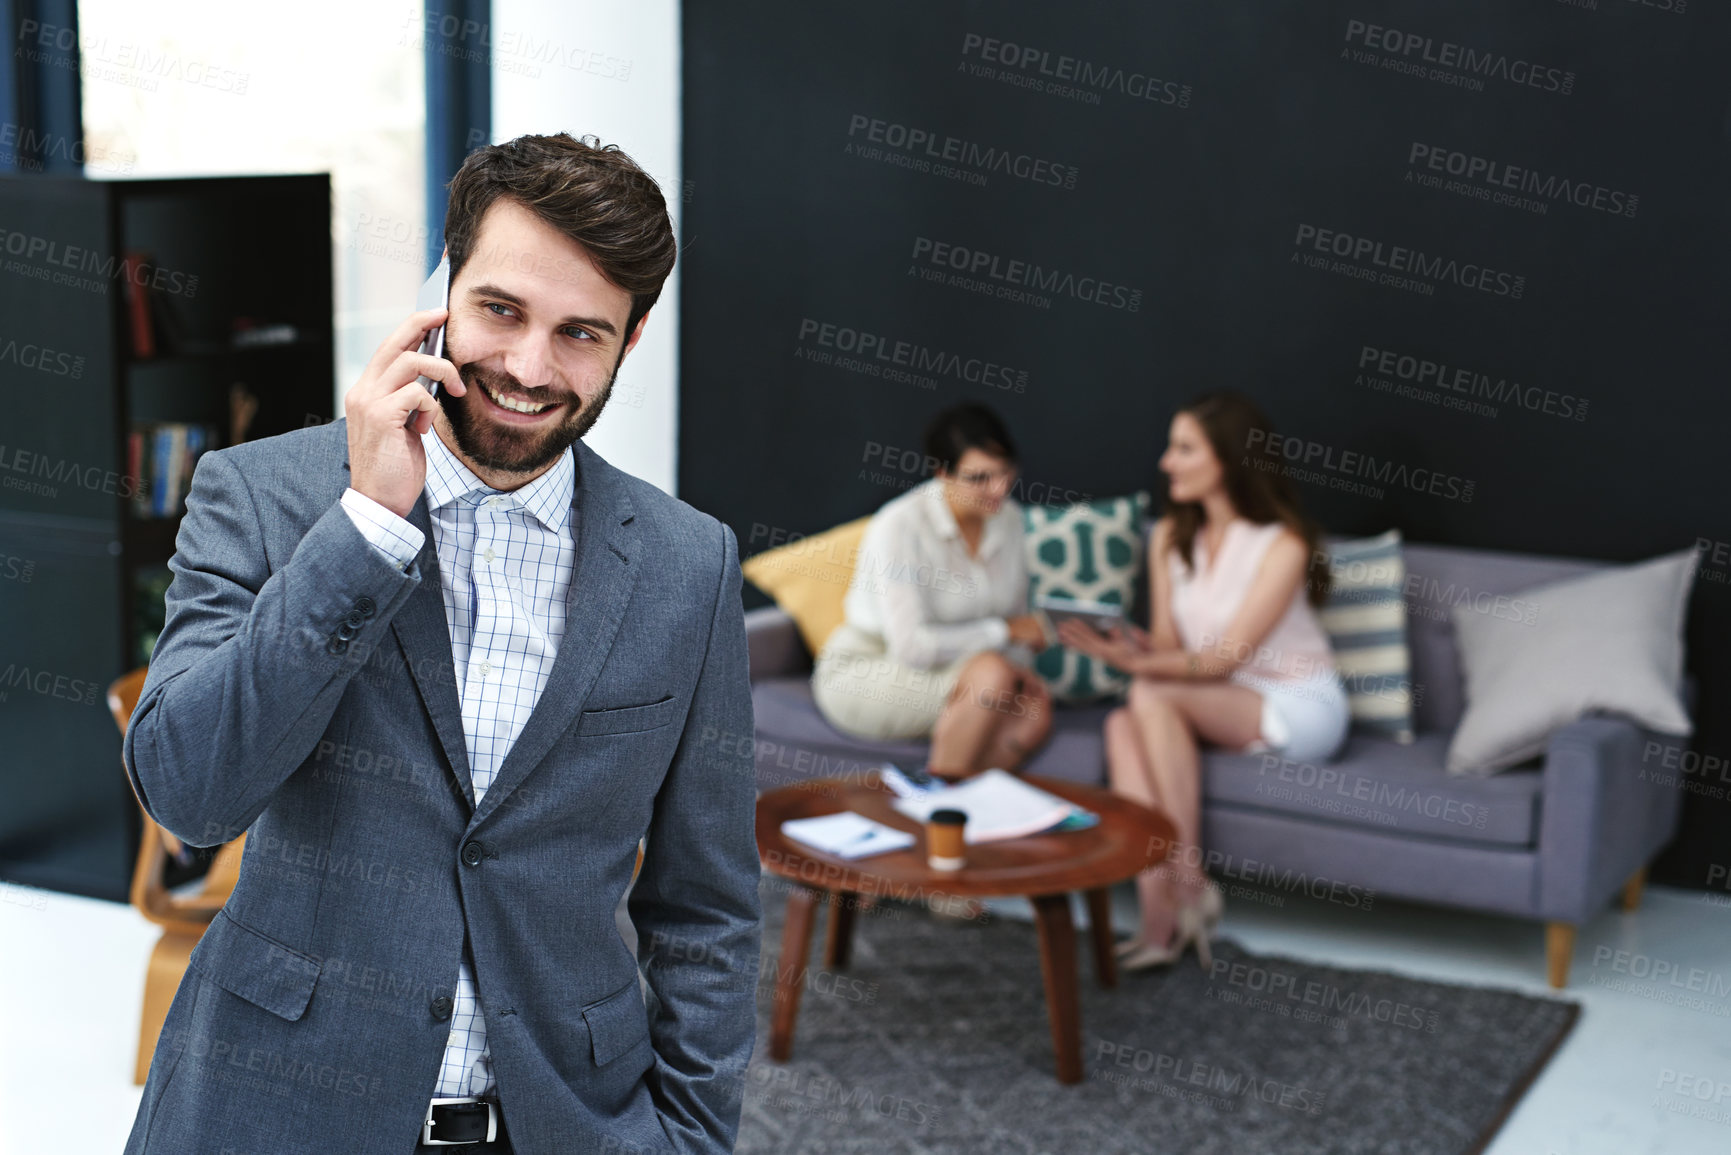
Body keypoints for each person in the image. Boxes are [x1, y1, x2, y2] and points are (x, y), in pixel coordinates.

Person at [123, 134, 760, 1154]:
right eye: (500, 311)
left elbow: (709, 908)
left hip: (564, 1124)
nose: (527, 367)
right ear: (445, 291)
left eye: (580, 334)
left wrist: (690, 1137)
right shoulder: (265, 495)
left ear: (630, 342)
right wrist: (368, 527)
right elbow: (190, 794)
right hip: (278, 1111)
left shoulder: (692, 565)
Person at [1057, 391, 1348, 972]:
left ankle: (1189, 877)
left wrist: (1135, 668)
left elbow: (1222, 659)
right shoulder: (1168, 537)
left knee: (1146, 692)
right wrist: (1127, 645)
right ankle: (1159, 925)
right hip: (1216, 698)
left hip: (1296, 703)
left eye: (1185, 449)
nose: (1167, 462)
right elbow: (1171, 645)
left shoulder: (1283, 545)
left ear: (1229, 459)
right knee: (1122, 722)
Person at [812, 404, 1055, 779]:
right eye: (979, 478)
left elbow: (1019, 619)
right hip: (870, 667)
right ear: (943, 473)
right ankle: (940, 818)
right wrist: (1004, 632)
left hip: (966, 669)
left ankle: (958, 813)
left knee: (1034, 708)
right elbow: (912, 648)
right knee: (991, 675)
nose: (999, 488)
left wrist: (1020, 665)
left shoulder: (1009, 520)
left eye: (1006, 472)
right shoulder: (901, 526)